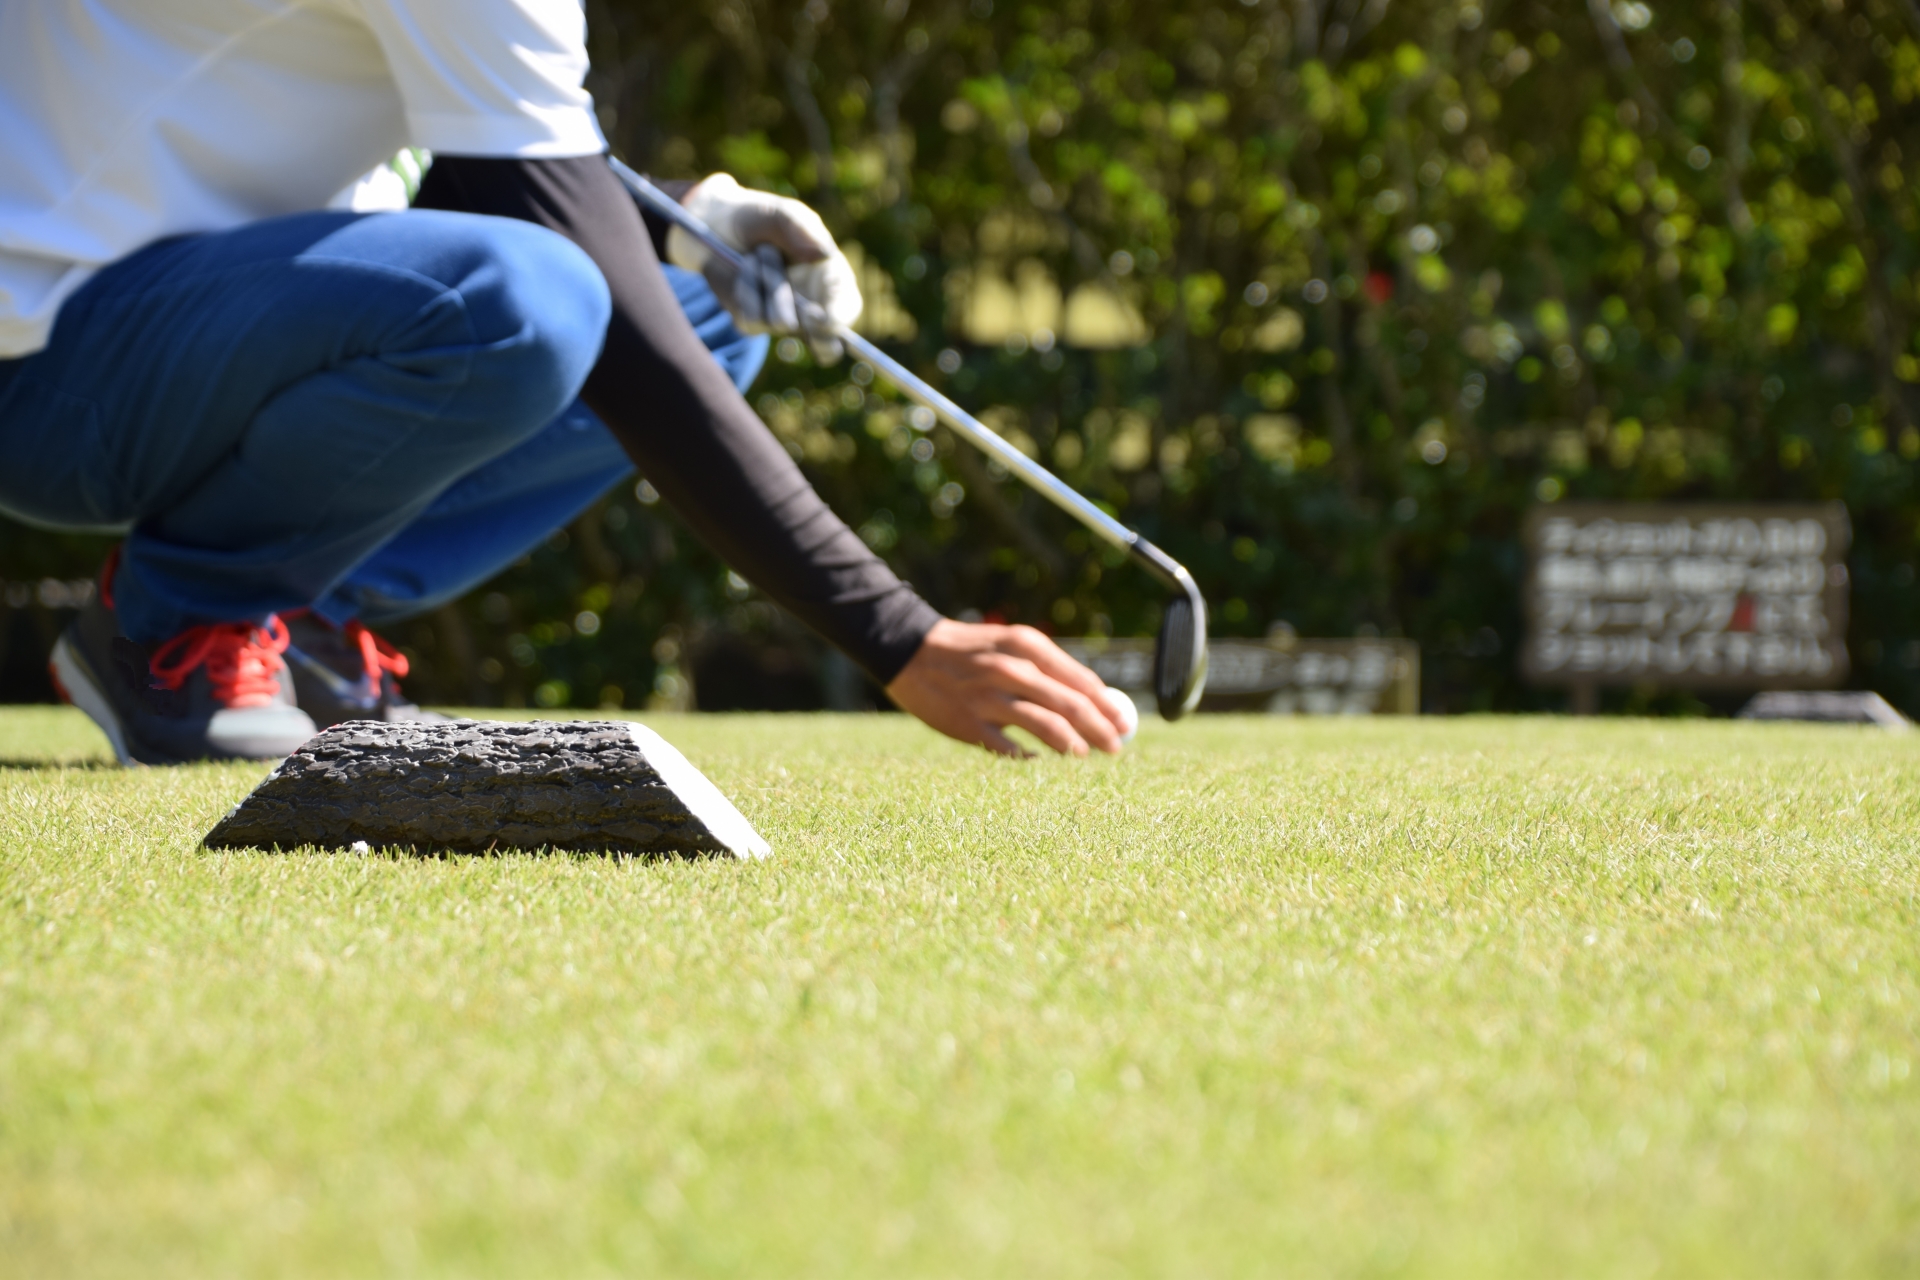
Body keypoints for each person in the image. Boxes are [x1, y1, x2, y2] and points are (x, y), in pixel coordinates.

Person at [0, 0, 1129, 766]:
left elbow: (477, 172)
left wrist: (698, 221)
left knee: (699, 315)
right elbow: (555, 266)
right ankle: (177, 626)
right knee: (529, 302)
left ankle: (300, 617)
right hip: (44, 376)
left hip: (160, 335)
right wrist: (899, 635)